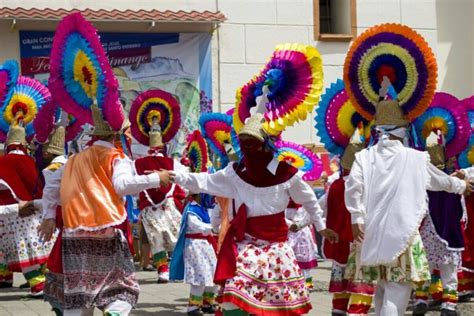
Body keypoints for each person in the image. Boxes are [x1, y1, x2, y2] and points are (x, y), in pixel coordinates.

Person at [171, 113, 338, 315]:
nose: (248, 149)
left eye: (253, 144)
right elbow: (203, 181)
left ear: (266, 145)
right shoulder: (235, 173)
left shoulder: (286, 174)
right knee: (233, 299)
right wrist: (173, 176)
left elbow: (310, 200)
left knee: (276, 305)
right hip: (245, 247)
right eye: (244, 144)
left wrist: (321, 226)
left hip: (276, 251)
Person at [38, 105, 172, 315]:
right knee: (123, 288)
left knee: (79, 292)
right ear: (116, 135)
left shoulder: (73, 160)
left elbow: (52, 184)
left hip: (74, 233)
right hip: (106, 230)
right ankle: (114, 312)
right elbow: (123, 185)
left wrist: (48, 217)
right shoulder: (116, 157)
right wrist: (157, 178)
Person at [344, 97, 472, 316]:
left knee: (382, 288)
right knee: (397, 292)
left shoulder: (363, 157)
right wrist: (461, 185)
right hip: (403, 235)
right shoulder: (415, 158)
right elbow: (440, 181)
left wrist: (357, 218)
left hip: (370, 235)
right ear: (402, 131)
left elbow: (353, 188)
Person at [320, 132, 375, 316]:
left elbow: (318, 207)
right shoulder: (367, 185)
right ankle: (356, 311)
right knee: (361, 279)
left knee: (342, 278)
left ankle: (338, 310)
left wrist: (301, 223)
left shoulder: (334, 186)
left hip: (340, 241)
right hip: (360, 241)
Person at [413, 133, 465, 316]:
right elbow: (460, 212)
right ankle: (448, 306)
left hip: (425, 233)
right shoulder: (452, 182)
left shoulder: (422, 181)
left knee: (424, 267)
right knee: (448, 271)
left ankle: (421, 300)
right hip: (448, 234)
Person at [133, 122, 187, 283]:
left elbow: (134, 185)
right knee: (175, 234)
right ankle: (176, 267)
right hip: (167, 205)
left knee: (155, 238)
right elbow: (182, 182)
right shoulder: (173, 163)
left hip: (150, 207)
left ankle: (163, 269)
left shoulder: (138, 164)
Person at [0, 120, 48, 297]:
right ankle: (40, 282)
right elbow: (39, 187)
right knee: (34, 247)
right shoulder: (29, 160)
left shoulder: (3, 162)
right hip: (32, 210)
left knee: (22, 250)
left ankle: (37, 285)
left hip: (11, 214)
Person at [170, 193, 218, 315]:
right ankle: (193, 306)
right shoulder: (191, 208)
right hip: (194, 245)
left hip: (207, 245)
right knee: (199, 274)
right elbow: (195, 225)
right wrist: (211, 228)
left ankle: (207, 301)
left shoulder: (205, 208)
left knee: (212, 273)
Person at [286, 201, 318, 290]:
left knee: (305, 261)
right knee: (289, 260)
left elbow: (310, 216)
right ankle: (292, 284)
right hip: (289, 231)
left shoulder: (304, 201)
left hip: (301, 231)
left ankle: (308, 284)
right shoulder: (283, 202)